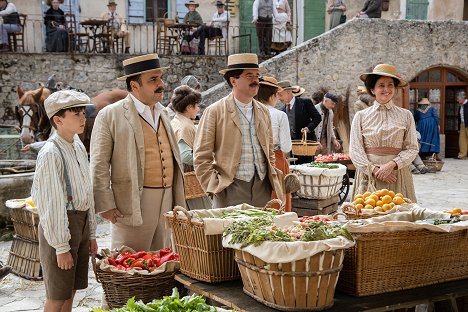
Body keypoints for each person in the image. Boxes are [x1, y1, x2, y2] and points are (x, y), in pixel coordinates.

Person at [90, 54, 186, 252]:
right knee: (130, 259)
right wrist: (105, 205)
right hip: (133, 199)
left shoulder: (163, 113)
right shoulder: (111, 115)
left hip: (167, 197)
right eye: (153, 80)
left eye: (160, 78)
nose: (161, 84)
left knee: (163, 256)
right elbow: (99, 163)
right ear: (134, 86)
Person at [31, 90, 98, 312]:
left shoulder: (78, 145)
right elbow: (50, 204)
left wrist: (92, 234)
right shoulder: (51, 152)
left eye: (83, 112)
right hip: (60, 227)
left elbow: (87, 191)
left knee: (71, 291)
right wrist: (61, 247)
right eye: (76, 113)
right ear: (58, 120)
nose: (83, 118)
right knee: (58, 295)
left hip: (80, 224)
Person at [193, 53, 284, 208]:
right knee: (229, 232)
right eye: (249, 76)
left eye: (256, 76)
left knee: (262, 231)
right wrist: (215, 186)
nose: (255, 80)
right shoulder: (214, 111)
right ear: (233, 81)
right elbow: (201, 157)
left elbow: (269, 152)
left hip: (263, 188)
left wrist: (271, 176)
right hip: (229, 188)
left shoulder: (263, 111)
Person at [350, 64, 419, 201]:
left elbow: (412, 148)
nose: (386, 89)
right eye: (381, 85)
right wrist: (375, 170)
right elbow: (355, 150)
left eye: (390, 85)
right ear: (372, 89)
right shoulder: (361, 116)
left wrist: (391, 165)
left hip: (397, 175)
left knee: (399, 216)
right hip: (368, 176)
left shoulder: (406, 115)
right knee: (367, 215)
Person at [170, 85, 212, 209]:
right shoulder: (185, 126)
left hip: (182, 180)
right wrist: (209, 161)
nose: (198, 109)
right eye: (196, 105)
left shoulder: (175, 121)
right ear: (189, 107)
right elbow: (185, 155)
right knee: (202, 216)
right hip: (192, 180)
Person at [256, 76, 292, 211]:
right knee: (277, 196)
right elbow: (286, 146)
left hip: (255, 159)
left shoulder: (251, 112)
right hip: (275, 159)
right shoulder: (279, 115)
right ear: (272, 96)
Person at [277, 80, 322, 163]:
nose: (279, 98)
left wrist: (308, 128)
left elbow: (317, 117)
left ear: (288, 92)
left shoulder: (305, 103)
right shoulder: (281, 110)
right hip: (291, 149)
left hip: (306, 146)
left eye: (280, 95)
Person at [457, 90, 468, 159]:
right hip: (462, 125)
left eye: (458, 98)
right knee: (462, 141)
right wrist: (459, 128)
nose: (457, 100)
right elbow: (459, 118)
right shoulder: (461, 106)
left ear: (463, 97)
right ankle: (462, 155)